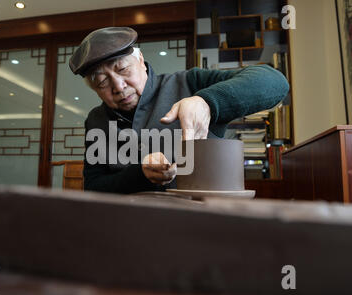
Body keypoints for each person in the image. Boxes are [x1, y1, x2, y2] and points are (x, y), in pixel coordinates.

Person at [69, 27, 289, 194]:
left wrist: (207, 102)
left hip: (196, 228)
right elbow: (94, 187)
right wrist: (141, 173)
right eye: (102, 81)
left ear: (141, 61)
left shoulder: (190, 83)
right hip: (126, 229)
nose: (118, 86)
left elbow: (274, 82)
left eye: (123, 69)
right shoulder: (96, 120)